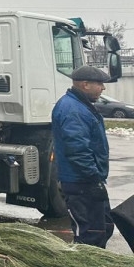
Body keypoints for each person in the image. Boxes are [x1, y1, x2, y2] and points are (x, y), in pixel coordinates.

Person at [52, 65, 114, 248]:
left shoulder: (80, 106)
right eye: (100, 84)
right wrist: (93, 179)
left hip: (87, 180)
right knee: (90, 234)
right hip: (82, 182)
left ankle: (97, 266)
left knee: (103, 227)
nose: (103, 88)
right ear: (85, 84)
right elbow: (78, 151)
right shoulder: (73, 110)